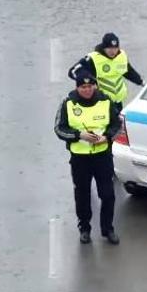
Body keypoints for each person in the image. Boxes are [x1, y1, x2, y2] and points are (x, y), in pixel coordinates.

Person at [54, 71, 122, 244]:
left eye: (90, 86)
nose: (87, 90)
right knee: (82, 194)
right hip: (80, 158)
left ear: (95, 86)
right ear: (77, 88)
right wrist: (79, 135)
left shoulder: (105, 101)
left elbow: (117, 124)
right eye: (83, 87)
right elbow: (59, 129)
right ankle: (84, 228)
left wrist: (106, 136)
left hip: (102, 156)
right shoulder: (68, 103)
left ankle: (107, 229)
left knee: (107, 194)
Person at [68, 32, 145, 105]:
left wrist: (141, 82)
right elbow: (73, 71)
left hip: (118, 100)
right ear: (104, 47)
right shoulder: (93, 58)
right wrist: (88, 81)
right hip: (100, 101)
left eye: (115, 48)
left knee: (119, 118)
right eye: (110, 48)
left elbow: (128, 71)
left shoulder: (121, 56)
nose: (113, 51)